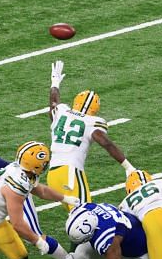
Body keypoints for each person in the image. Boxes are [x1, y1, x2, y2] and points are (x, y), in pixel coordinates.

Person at [47, 60, 136, 210]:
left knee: (76, 215)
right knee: (85, 213)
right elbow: (105, 142)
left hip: (53, 174)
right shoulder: (92, 122)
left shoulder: (61, 111)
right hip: (71, 172)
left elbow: (54, 103)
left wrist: (55, 83)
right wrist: (128, 167)